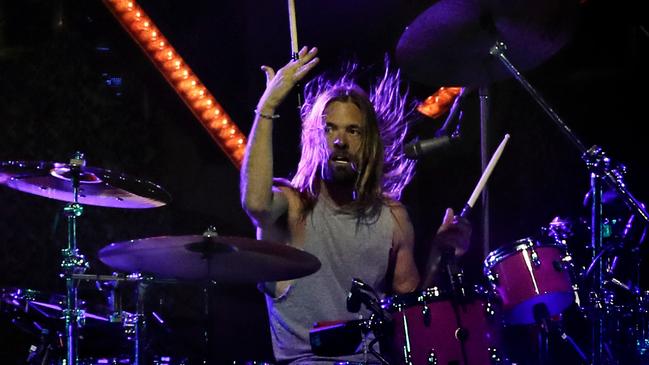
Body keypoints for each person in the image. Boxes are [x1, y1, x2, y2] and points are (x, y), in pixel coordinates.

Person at [240, 46, 472, 364]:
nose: (339, 140)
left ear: (369, 144)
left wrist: (439, 256)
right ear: (313, 138)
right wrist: (267, 107)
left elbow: (412, 318)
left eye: (352, 131)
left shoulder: (393, 217)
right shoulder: (291, 205)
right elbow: (254, 201)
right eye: (330, 128)